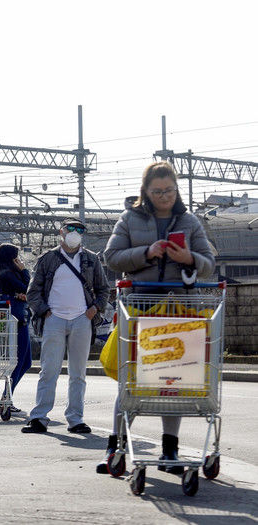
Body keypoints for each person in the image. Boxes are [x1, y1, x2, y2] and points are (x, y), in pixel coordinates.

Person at [99, 160, 215, 474]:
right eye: (157, 191)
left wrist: (188, 258)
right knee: (132, 381)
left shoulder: (189, 221)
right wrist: (148, 253)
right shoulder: (128, 219)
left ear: (175, 189)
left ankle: (170, 450)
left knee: (175, 380)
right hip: (140, 309)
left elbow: (208, 261)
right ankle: (117, 446)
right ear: (146, 192)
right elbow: (111, 258)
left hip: (181, 309)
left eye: (169, 190)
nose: (164, 196)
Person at [22, 217, 109, 434]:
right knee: (48, 370)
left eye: (80, 230)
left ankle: (75, 418)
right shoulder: (48, 259)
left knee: (78, 372)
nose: (75, 233)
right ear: (61, 232)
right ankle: (39, 417)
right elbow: (33, 292)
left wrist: (95, 309)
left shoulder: (91, 259)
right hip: (54, 319)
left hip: (82, 319)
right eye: (71, 229)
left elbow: (103, 289)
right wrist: (46, 312)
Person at [0, 243, 31, 413]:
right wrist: (24, 270)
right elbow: (30, 287)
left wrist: (23, 293)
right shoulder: (6, 274)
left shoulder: (4, 273)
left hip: (19, 318)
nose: (18, 260)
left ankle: (5, 397)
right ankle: (6, 399)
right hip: (17, 320)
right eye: (16, 257)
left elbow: (26, 291)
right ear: (10, 258)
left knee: (26, 362)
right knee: (20, 361)